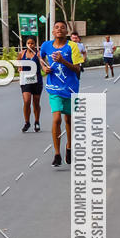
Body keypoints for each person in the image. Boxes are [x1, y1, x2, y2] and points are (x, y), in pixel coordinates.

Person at [40, 21, 83, 167]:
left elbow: (77, 69)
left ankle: (69, 147)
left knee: (69, 120)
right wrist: (44, 67)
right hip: (54, 87)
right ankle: (57, 153)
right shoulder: (46, 45)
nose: (59, 29)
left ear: (66, 32)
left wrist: (63, 61)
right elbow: (40, 57)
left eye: (62, 28)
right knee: (57, 118)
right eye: (56, 27)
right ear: (53, 31)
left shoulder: (73, 46)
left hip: (71, 88)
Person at [16, 36, 43, 132]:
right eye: (28, 43)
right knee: (27, 101)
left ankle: (37, 121)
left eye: (32, 43)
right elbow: (18, 62)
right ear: (26, 44)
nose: (30, 45)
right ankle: (27, 122)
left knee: (36, 102)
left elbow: (43, 64)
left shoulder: (38, 53)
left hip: (37, 80)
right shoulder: (22, 53)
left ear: (35, 44)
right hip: (25, 80)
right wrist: (19, 67)